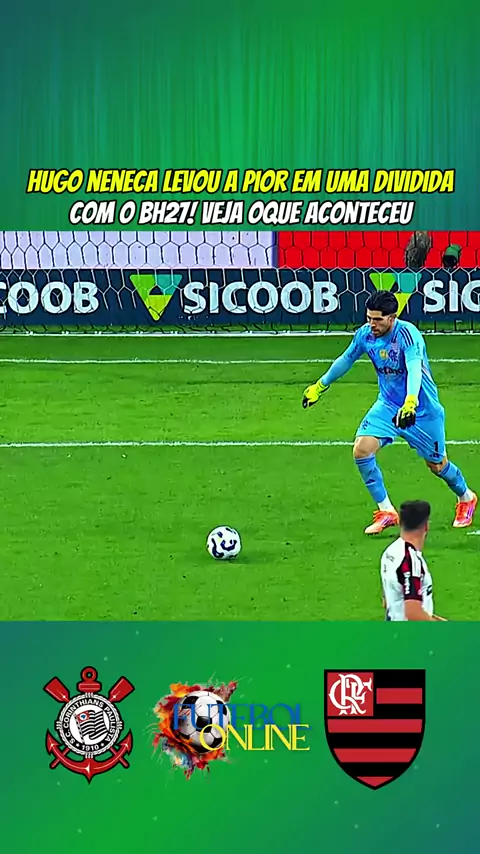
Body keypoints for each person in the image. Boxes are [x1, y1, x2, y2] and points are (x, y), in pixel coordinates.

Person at [302, 290, 477, 534]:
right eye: (369, 318)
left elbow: (414, 368)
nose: (372, 324)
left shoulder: (407, 335)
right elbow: (346, 359)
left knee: (437, 465)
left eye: (378, 319)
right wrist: (320, 386)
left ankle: (466, 497)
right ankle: (387, 511)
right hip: (388, 405)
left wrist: (411, 401)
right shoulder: (365, 334)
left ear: (392, 318)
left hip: (422, 410)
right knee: (362, 450)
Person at [380, 500, 446, 621]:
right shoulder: (411, 562)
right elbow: (413, 613)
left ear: (400, 523)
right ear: (426, 526)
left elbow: (387, 601)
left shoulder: (390, 552)